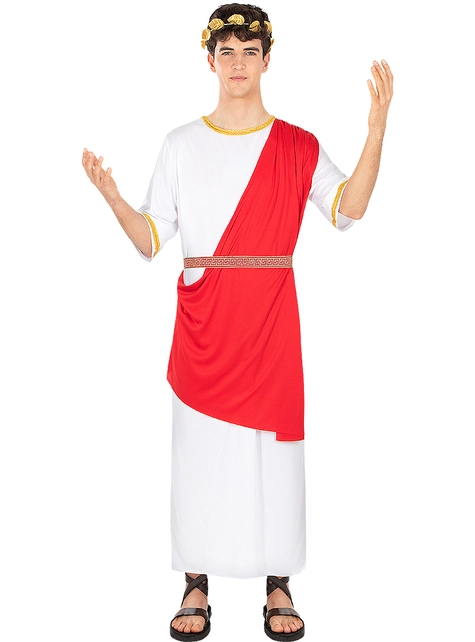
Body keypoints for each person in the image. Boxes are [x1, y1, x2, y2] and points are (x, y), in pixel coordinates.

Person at [82, 3, 393, 640]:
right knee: (200, 452)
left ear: (267, 60)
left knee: (274, 455)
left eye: (250, 52)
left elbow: (348, 210)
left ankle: (279, 583)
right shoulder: (179, 144)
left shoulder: (298, 145)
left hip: (271, 318)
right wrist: (113, 198)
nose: (238, 64)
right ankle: (195, 581)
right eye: (227, 52)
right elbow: (150, 240)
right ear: (210, 61)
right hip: (207, 322)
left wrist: (376, 129)